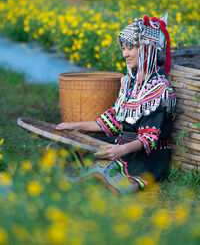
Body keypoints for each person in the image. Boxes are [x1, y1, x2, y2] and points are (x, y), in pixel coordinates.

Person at [56, 13, 176, 194]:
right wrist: (74, 126)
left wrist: (121, 150)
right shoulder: (129, 83)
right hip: (121, 144)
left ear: (146, 49)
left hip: (145, 155)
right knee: (64, 146)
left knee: (104, 171)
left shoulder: (160, 90)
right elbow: (110, 121)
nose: (125, 54)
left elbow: (148, 139)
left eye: (130, 48)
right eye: (123, 48)